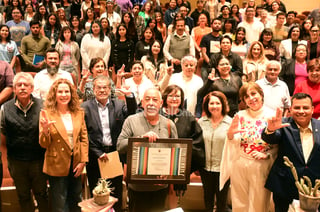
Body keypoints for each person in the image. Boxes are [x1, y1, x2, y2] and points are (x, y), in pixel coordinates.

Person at [117, 88, 178, 212]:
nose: (151, 103)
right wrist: (139, 139)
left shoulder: (169, 124)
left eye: (155, 100)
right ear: (142, 103)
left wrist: (169, 173)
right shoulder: (131, 121)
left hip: (160, 187)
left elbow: (176, 153)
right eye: (147, 99)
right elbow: (120, 146)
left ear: (161, 103)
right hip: (137, 187)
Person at [82, 75, 137, 212]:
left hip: (114, 155)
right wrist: (98, 153)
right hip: (95, 156)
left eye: (105, 87)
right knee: (97, 193)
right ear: (93, 90)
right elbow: (83, 134)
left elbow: (132, 113)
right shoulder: (85, 107)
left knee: (115, 192)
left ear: (110, 89)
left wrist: (129, 96)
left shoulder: (118, 104)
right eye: (98, 87)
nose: (102, 90)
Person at [223, 82, 277, 212]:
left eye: (253, 94)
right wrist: (230, 135)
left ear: (261, 94)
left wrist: (267, 154)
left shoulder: (272, 115)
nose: (251, 98)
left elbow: (278, 144)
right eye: (246, 96)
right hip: (240, 163)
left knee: (259, 204)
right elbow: (233, 141)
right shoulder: (239, 116)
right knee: (239, 202)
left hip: (261, 165)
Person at [261, 92, 320, 212]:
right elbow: (271, 138)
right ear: (291, 109)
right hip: (284, 184)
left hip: (313, 186)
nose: (301, 111)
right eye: (297, 107)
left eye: (305, 107)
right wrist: (270, 130)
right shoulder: (283, 124)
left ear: (312, 109)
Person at [0, 73, 48, 212]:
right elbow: (3, 139)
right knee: (23, 196)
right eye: (18, 85)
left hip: (38, 161)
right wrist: (5, 165)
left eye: (25, 85)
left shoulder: (43, 106)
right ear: (14, 89)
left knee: (42, 195)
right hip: (16, 162)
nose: (22, 88)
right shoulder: (5, 109)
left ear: (32, 88)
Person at [39, 78, 88, 212]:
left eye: (67, 91)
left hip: (76, 163)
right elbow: (44, 144)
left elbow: (84, 139)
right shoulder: (46, 114)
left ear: (71, 94)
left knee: (77, 200)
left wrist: (83, 161)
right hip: (56, 163)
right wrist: (45, 130)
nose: (64, 94)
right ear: (54, 94)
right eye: (60, 91)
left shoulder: (79, 113)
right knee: (60, 203)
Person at [198, 91, 231, 212]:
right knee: (208, 199)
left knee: (222, 202)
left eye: (217, 103)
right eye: (211, 103)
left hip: (223, 169)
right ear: (207, 105)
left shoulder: (230, 123)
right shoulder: (201, 122)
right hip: (205, 168)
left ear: (223, 105)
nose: (214, 106)